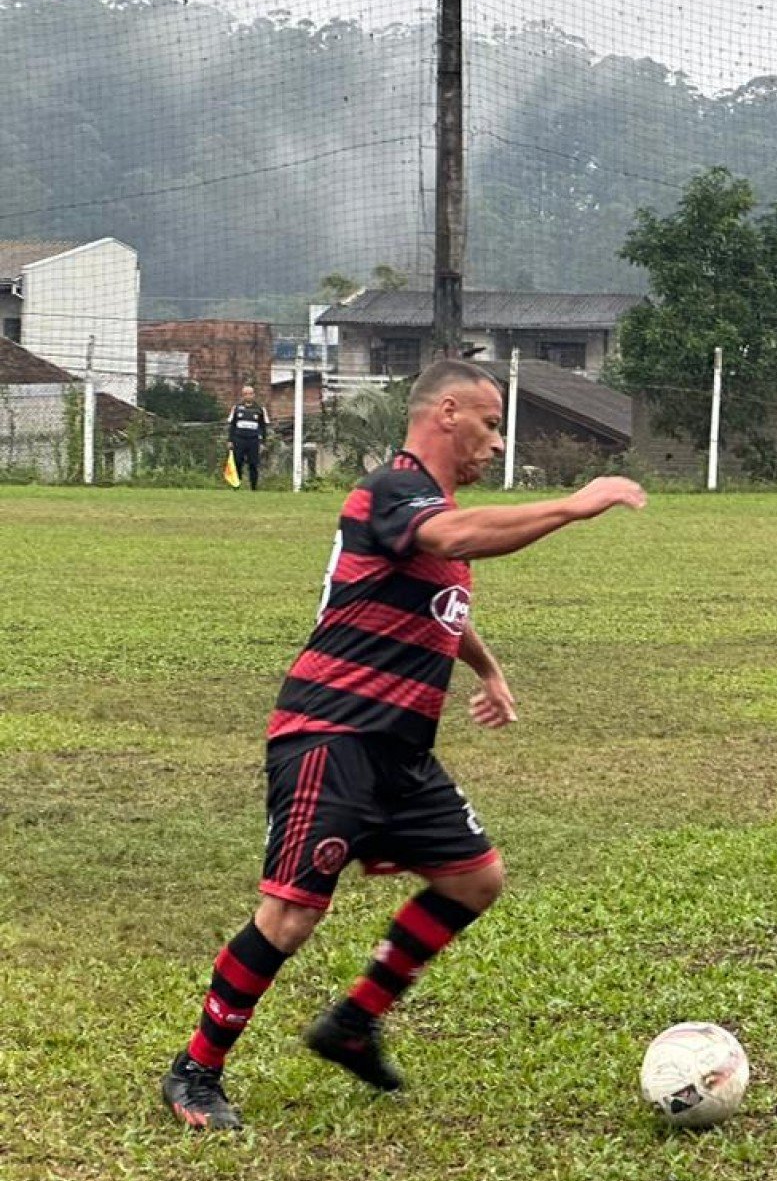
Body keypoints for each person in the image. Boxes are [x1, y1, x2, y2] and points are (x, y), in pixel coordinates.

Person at [160, 360, 647, 1132]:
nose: (496, 441)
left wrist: (487, 668)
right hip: (333, 732)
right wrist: (574, 507)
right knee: (289, 917)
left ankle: (351, 1023)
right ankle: (196, 1069)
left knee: (475, 880)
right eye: (489, 424)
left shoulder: (431, 513)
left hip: (398, 748)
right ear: (445, 413)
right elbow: (453, 537)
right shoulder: (394, 490)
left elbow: (440, 603)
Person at [227, 384, 270, 491]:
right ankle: (236, 486)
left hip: (253, 440)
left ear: (254, 395)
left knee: (253, 464)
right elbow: (232, 425)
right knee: (237, 463)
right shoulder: (236, 408)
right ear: (243, 395)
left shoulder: (260, 409)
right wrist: (230, 440)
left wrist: (263, 442)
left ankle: (253, 488)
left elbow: (263, 427)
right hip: (239, 439)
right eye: (245, 394)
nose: (248, 396)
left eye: (250, 393)